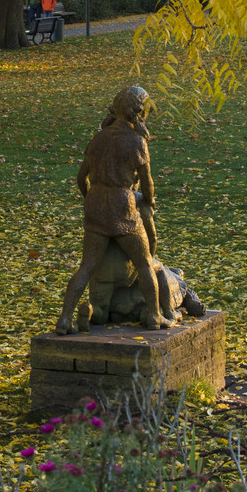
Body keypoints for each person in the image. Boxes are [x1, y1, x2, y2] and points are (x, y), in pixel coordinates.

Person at [56, 86, 171, 334]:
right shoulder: (137, 141)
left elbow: (80, 178)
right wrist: (148, 202)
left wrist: (91, 201)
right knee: (144, 262)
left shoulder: (98, 138)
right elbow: (147, 180)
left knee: (86, 267)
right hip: (123, 206)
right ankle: (154, 315)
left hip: (96, 205)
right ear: (139, 112)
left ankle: (65, 319)